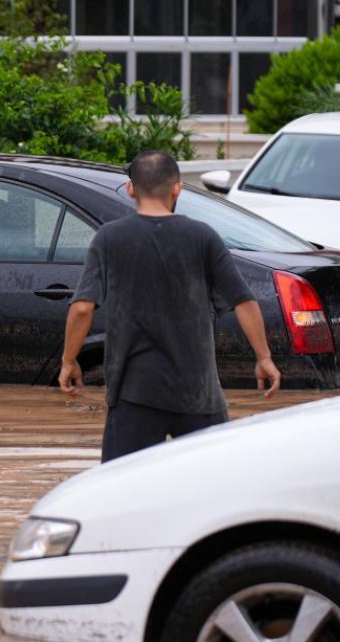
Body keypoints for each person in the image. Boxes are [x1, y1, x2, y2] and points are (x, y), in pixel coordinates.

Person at [59, 150, 280, 462]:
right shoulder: (203, 236)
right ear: (177, 188)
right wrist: (264, 358)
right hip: (198, 392)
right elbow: (244, 302)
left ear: (131, 189)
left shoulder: (109, 238)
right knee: (215, 485)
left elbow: (82, 308)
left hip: (133, 393)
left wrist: (69, 361)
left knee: (120, 488)